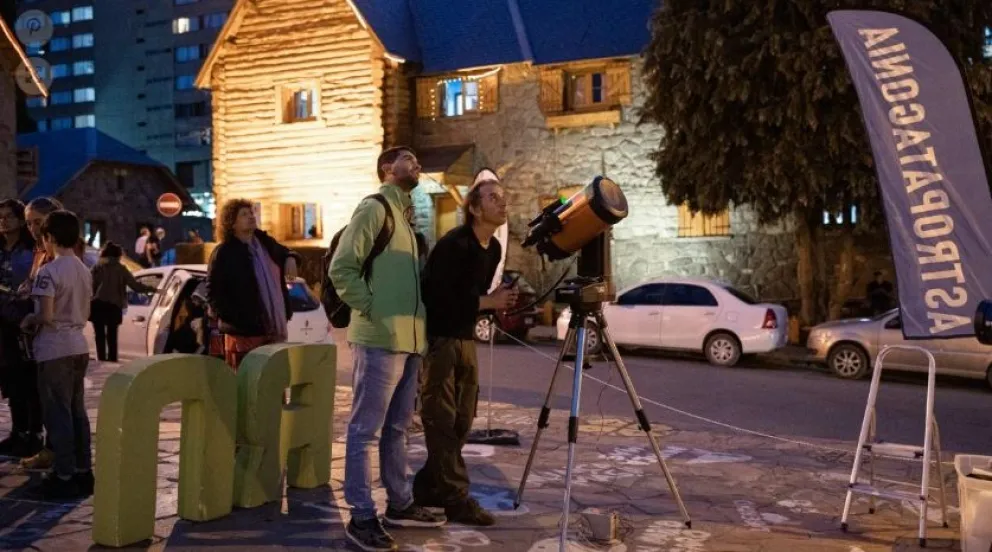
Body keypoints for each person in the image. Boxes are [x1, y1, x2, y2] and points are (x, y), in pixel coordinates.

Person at [329, 146, 446, 551]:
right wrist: (371, 307)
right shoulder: (375, 208)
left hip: (410, 340)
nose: (416, 163)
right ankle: (361, 516)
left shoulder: (405, 218)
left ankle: (400, 503)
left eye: (418, 158)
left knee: (397, 429)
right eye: (407, 158)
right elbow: (341, 266)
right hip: (380, 339)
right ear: (386, 169)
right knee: (365, 430)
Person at [412, 178, 516, 526]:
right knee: (440, 418)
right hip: (440, 341)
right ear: (474, 208)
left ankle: (429, 486)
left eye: (503, 197)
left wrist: (496, 299)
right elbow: (441, 300)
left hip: (465, 339)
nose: (502, 203)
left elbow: (475, 298)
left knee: (461, 420)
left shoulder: (494, 249)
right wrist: (489, 301)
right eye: (493, 198)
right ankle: (457, 500)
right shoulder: (454, 245)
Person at [20, 209, 94, 499]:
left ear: (49, 237)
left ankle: (63, 474)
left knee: (58, 414)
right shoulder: (84, 269)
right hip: (79, 345)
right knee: (78, 413)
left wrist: (30, 320)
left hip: (54, 349)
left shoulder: (48, 272)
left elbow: (47, 315)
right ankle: (83, 470)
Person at [206, 199, 300, 371]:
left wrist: (291, 258)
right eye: (243, 214)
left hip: (273, 330)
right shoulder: (224, 253)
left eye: (251, 213)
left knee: (274, 384)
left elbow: (286, 252)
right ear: (231, 223)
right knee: (247, 387)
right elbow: (213, 294)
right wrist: (240, 322)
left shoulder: (265, 244)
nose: (251, 217)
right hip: (244, 336)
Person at [0, 199, 43, 458]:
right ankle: (18, 431)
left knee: (28, 379)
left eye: (9, 216)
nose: (4, 221)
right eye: (0, 217)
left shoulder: (31, 251)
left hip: (23, 319)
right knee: (9, 378)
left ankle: (33, 432)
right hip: (2, 320)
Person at [90, 242, 159, 362]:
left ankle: (101, 360)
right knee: (112, 337)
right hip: (114, 306)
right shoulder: (121, 269)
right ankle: (112, 361)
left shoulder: (97, 267)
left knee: (99, 336)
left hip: (98, 305)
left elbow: (89, 286)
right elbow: (135, 286)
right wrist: (152, 289)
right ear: (118, 256)